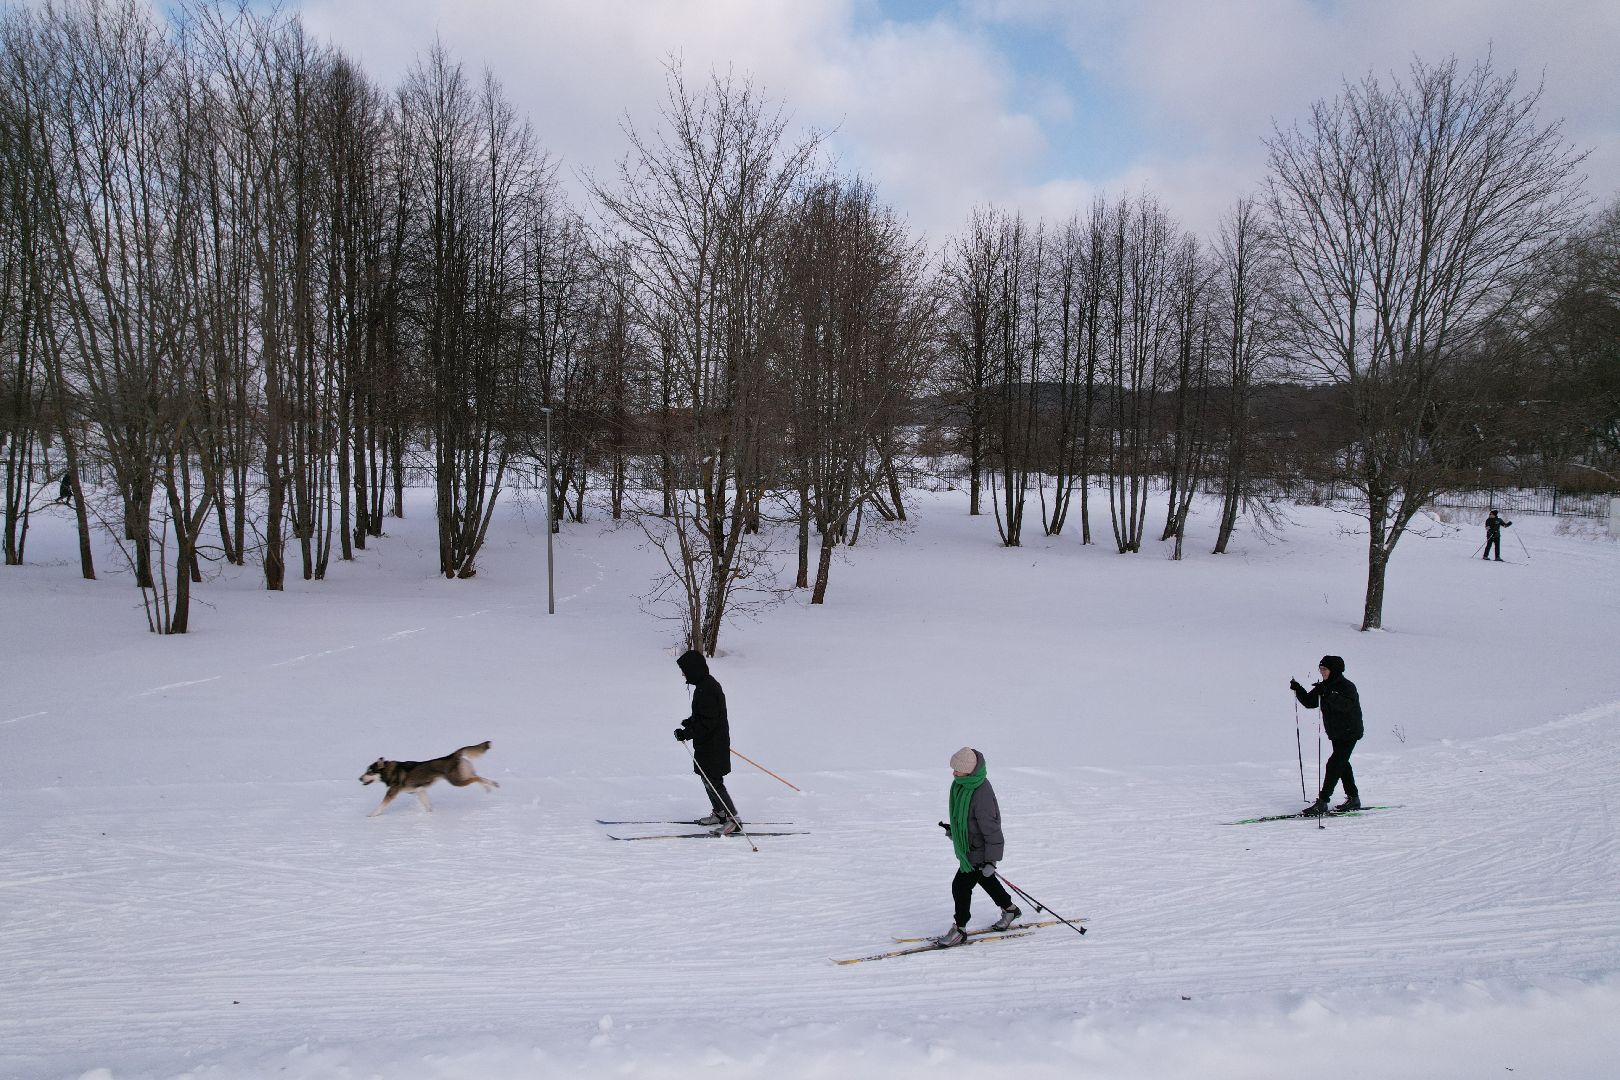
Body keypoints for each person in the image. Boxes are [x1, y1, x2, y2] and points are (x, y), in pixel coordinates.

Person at [937, 747, 1020, 946]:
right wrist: (955, 832)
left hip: (979, 852)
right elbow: (966, 820)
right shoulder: (962, 785)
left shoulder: (981, 793)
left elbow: (992, 829)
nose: (953, 773)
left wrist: (991, 860)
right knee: (985, 879)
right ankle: (1010, 910)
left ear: (968, 770)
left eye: (957, 769)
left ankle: (960, 929)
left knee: (960, 886)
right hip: (970, 848)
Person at [674, 649, 740, 834]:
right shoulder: (704, 686)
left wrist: (687, 733)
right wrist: (690, 723)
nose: (683, 674)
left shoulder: (707, 689)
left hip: (713, 745)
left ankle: (733, 819)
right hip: (707, 744)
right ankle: (720, 814)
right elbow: (704, 715)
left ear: (693, 669)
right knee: (707, 779)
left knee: (714, 781)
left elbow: (708, 722)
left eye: (684, 670)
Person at [1290, 655, 1364, 816]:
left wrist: (1328, 693)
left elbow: (1346, 705)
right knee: (1342, 764)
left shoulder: (1347, 686)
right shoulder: (1324, 686)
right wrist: (1298, 689)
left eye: (1325, 669)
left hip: (1350, 732)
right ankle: (1354, 799)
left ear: (1334, 670)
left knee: (1334, 764)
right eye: (1320, 669)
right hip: (1336, 733)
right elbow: (1310, 702)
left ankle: (1323, 801)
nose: (1322, 672)